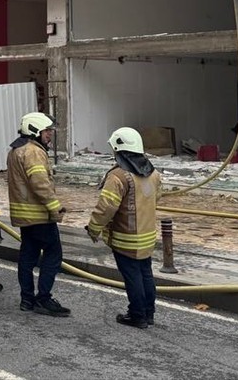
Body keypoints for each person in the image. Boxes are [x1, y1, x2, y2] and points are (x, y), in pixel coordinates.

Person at [86, 127, 162, 329]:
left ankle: (137, 316)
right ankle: (149, 313)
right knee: (146, 273)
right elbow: (156, 199)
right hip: (147, 236)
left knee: (132, 277)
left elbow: (106, 207)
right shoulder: (153, 174)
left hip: (125, 237)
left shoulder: (118, 176)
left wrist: (94, 228)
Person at [7, 111, 69, 317]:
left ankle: (27, 299)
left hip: (25, 217)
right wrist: (55, 207)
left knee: (27, 256)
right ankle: (44, 298)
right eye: (47, 131)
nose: (50, 134)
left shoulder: (17, 150)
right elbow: (40, 183)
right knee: (53, 255)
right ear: (35, 131)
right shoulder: (33, 151)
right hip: (40, 216)